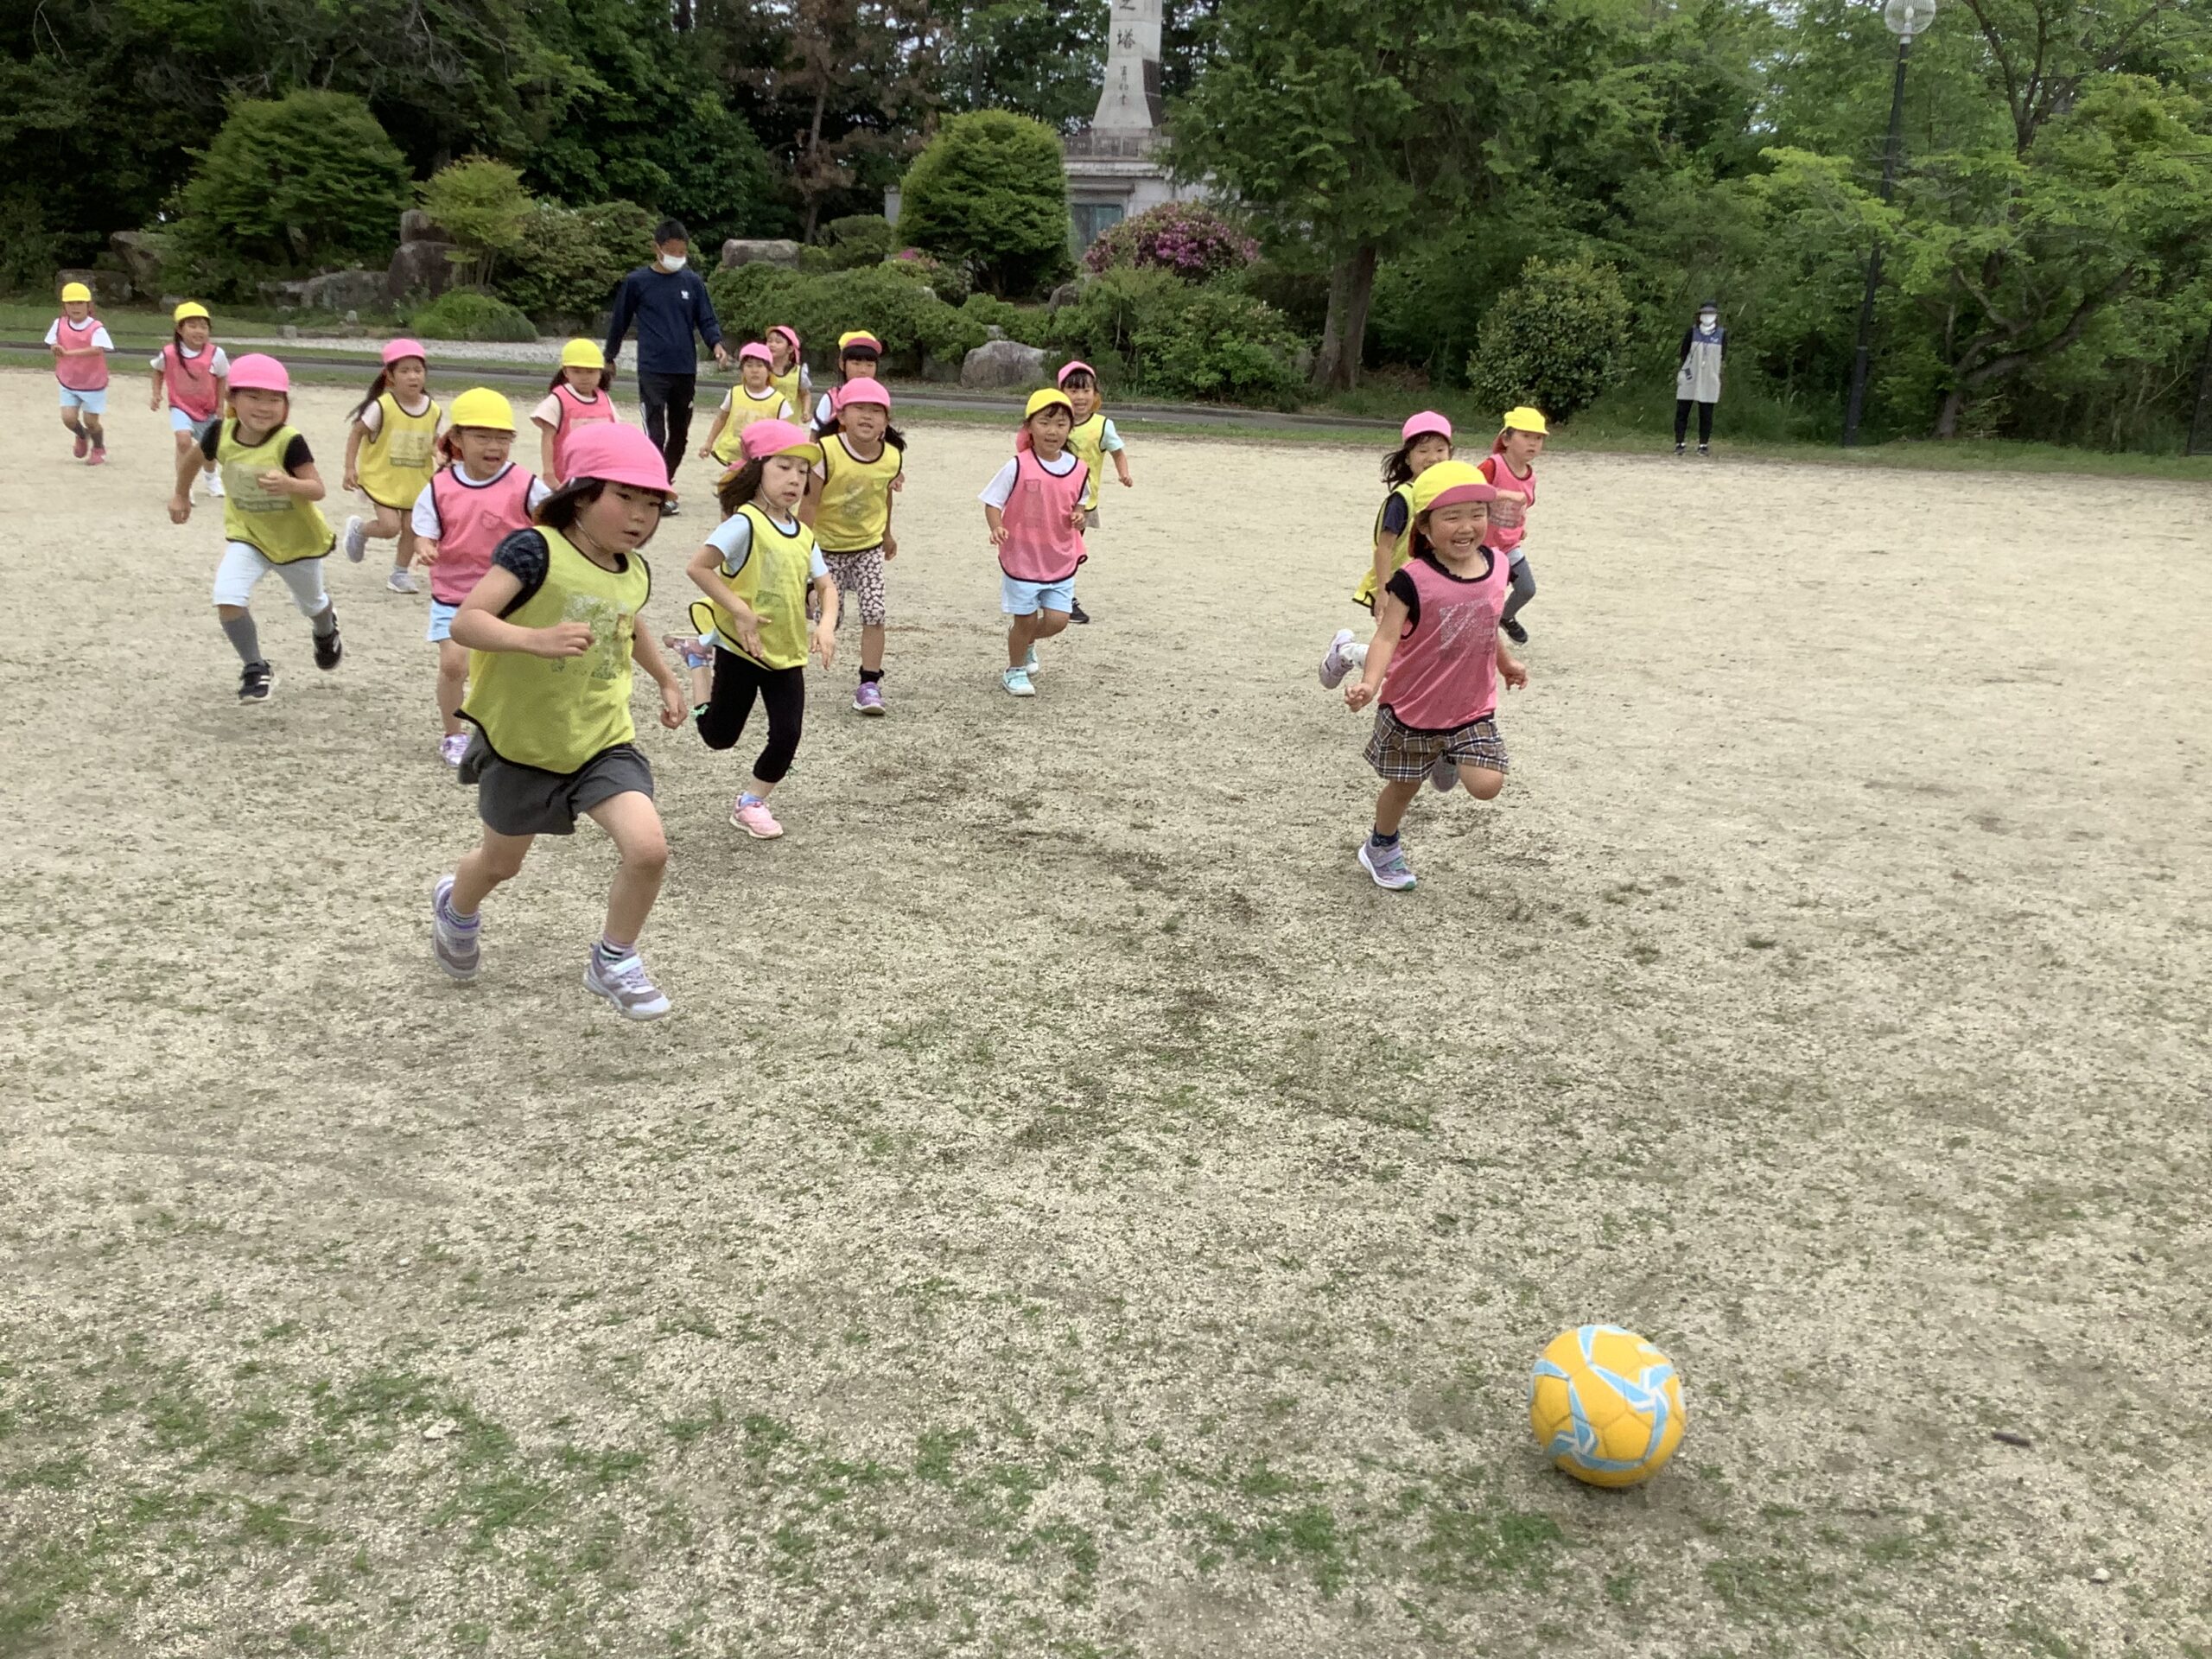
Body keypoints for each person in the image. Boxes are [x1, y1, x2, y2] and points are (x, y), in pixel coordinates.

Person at [431, 423, 688, 1021]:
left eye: (652, 504)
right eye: (624, 498)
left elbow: (629, 621)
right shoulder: (536, 549)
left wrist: (666, 678)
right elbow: (467, 622)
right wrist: (532, 639)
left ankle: (613, 958)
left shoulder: (634, 569)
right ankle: (456, 908)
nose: (639, 517)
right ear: (581, 494)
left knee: (648, 850)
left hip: (601, 738)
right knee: (501, 863)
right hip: (522, 742)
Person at [1342, 460, 1529, 893]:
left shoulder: (1498, 566)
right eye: (1452, 516)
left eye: (1477, 513)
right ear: (1424, 527)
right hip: (1413, 707)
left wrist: (1506, 663)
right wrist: (1371, 683)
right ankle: (1381, 846)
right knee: (1404, 786)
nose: (1467, 526)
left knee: (1487, 784)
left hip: (1470, 706)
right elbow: (1387, 638)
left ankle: (1448, 754)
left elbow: (1488, 621)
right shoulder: (1413, 579)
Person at [687, 418, 838, 839]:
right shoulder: (744, 523)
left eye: (802, 471)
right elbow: (698, 567)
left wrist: (826, 625)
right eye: (783, 467)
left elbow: (826, 586)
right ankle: (698, 661)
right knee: (719, 737)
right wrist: (739, 610)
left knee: (787, 734)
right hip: (740, 647)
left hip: (785, 652)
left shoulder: (804, 534)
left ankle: (751, 802)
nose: (795, 479)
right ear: (757, 471)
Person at [168, 353, 341, 705]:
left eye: (274, 399)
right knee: (228, 598)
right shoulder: (221, 432)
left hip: (297, 542)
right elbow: (193, 460)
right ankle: (255, 667)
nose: (264, 407)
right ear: (232, 399)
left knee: (313, 605)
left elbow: (317, 489)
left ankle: (326, 631)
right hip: (248, 537)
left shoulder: (289, 441)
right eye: (254, 397)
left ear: (286, 405)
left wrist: (291, 484)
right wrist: (180, 494)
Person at [411, 390, 550, 767]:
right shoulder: (439, 486)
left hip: (509, 596)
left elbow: (554, 520)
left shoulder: (525, 483)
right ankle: (453, 735)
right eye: (482, 436)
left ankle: (509, 732)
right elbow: (424, 528)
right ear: (457, 438)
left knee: (510, 668)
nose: (495, 446)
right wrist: (425, 545)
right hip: (453, 593)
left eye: (503, 438)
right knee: (454, 664)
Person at [1318, 410, 1455, 690]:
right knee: (1399, 658)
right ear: (1408, 457)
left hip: (1430, 588)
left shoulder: (1449, 493)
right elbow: (1385, 547)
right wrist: (1383, 592)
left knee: (1418, 656)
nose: (1432, 457)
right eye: (1423, 450)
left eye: (1440, 449)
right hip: (1399, 589)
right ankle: (1346, 652)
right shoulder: (1402, 498)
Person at [601, 218, 728, 512]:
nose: (678, 258)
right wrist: (610, 356)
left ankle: (663, 483)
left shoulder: (693, 283)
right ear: (656, 249)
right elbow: (619, 321)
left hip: (685, 368)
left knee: (680, 433)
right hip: (652, 368)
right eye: (672, 251)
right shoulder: (637, 282)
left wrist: (717, 344)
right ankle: (655, 489)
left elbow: (706, 319)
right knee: (655, 433)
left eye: (683, 253)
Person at [801, 377, 904, 715]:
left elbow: (884, 495)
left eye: (877, 411)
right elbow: (810, 503)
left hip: (868, 547)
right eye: (859, 408)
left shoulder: (891, 457)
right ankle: (808, 596)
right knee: (832, 617)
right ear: (841, 416)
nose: (868, 416)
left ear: (886, 421)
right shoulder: (826, 452)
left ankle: (869, 683)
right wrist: (802, 546)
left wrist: (887, 534)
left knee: (875, 612)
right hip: (827, 548)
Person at [982, 388, 1089, 698]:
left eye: (1060, 423)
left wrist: (1079, 517)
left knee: (1058, 620)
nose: (1052, 431)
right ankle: (1014, 670)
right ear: (1029, 426)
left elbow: (1079, 501)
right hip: (1023, 558)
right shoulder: (1017, 465)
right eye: (1045, 422)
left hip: (1059, 556)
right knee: (1025, 618)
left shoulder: (1079, 469)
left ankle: (1025, 640)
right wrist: (997, 526)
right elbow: (992, 501)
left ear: (1070, 428)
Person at [342, 339, 442, 594]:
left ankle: (400, 573)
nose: (413, 376)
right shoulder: (382, 407)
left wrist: (439, 454)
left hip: (415, 482)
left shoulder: (433, 410)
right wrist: (349, 468)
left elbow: (433, 441)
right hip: (383, 478)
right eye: (405, 371)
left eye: (418, 370)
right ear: (389, 376)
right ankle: (360, 530)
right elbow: (357, 433)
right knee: (389, 528)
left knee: (412, 527)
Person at [1054, 360, 1130, 626]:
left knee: (1071, 550)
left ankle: (1063, 596)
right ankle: (1048, 592)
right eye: (1073, 390)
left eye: (1086, 390)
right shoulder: (1054, 420)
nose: (1080, 397)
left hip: (1083, 503)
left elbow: (1117, 451)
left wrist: (1123, 473)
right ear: (1060, 391)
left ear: (1095, 393)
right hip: (1050, 499)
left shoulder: (1102, 426)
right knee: (1050, 547)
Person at [1478, 406, 1547, 645]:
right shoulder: (1493, 465)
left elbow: (1522, 506)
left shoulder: (1530, 475)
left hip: (1508, 545)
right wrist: (1503, 494)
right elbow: (1473, 491)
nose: (1533, 443)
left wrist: (1520, 527)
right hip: (1481, 547)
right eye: (1526, 436)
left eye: (1538, 438)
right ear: (1506, 439)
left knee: (1527, 588)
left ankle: (1506, 617)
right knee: (1487, 595)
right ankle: (1483, 637)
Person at [150, 302, 228, 500]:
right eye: (192, 326)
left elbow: (221, 378)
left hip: (208, 409)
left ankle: (211, 478)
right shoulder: (169, 353)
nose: (199, 331)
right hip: (181, 406)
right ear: (179, 329)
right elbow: (158, 371)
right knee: (183, 440)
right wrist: (156, 394)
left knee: (209, 449)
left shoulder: (216, 354)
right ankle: (184, 486)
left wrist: (221, 405)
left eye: (204, 326)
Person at [531, 340, 619, 488]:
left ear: (600, 373)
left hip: (601, 475)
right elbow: (547, 437)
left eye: (590, 372)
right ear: (566, 372)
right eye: (577, 371)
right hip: (565, 479)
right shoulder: (558, 399)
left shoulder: (605, 400)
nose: (584, 377)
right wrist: (549, 473)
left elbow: (615, 435)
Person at [698, 343, 793, 471]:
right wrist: (709, 443)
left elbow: (785, 432)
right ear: (742, 371)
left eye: (760, 366)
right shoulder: (734, 393)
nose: (754, 370)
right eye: (749, 366)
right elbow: (721, 418)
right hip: (732, 454)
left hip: (762, 457)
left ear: (769, 371)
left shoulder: (779, 401)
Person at [48, 281, 112, 465]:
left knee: (92, 421)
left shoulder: (96, 327)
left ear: (89, 306)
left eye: (79, 303)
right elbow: (52, 341)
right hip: (69, 380)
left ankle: (99, 446)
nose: (75, 307)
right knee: (68, 419)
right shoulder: (59, 324)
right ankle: (81, 435)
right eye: (70, 303)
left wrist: (68, 353)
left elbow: (97, 349)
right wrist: (55, 348)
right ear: (64, 306)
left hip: (92, 382)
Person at [1675, 302, 1726, 455]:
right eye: (1705, 314)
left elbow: (1723, 355)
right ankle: (1680, 443)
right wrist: (1687, 370)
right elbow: (1683, 353)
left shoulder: (1722, 334)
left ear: (1716, 316)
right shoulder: (1692, 332)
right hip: (1690, 374)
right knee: (1683, 410)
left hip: (1709, 376)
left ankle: (1703, 444)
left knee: (1706, 412)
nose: (1707, 317)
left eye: (1710, 314)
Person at [810, 332, 883, 431]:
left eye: (870, 365)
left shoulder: (880, 399)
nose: (863, 370)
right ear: (842, 364)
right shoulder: (832, 399)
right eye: (856, 364)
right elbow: (815, 435)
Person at [766, 325, 810, 417]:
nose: (772, 345)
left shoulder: (798, 372)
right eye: (769, 341)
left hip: (789, 424)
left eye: (778, 342)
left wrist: (805, 411)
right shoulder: (763, 369)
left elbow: (805, 394)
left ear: (790, 349)